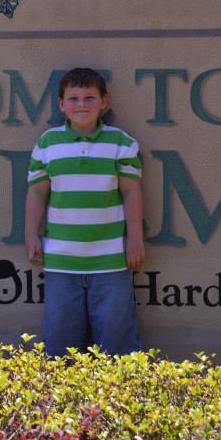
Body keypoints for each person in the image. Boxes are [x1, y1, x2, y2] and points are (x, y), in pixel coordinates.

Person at [25, 67, 144, 356]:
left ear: (104, 102)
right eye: (73, 98)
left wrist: (135, 238)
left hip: (111, 259)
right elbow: (37, 193)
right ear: (61, 104)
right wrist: (30, 235)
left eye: (89, 97)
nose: (81, 104)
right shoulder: (47, 143)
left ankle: (121, 386)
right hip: (61, 259)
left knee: (116, 339)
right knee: (60, 340)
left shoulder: (121, 143)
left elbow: (131, 191)